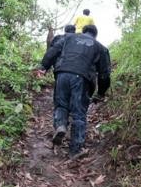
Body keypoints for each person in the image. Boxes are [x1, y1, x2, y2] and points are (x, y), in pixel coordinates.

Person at [37, 25, 111, 159]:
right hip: (82, 78)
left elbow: (53, 50)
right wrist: (101, 93)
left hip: (62, 73)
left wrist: (43, 66)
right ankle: (75, 149)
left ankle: (60, 125)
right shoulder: (100, 48)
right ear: (95, 35)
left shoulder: (68, 38)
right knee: (78, 113)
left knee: (61, 105)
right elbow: (104, 74)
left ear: (82, 32)